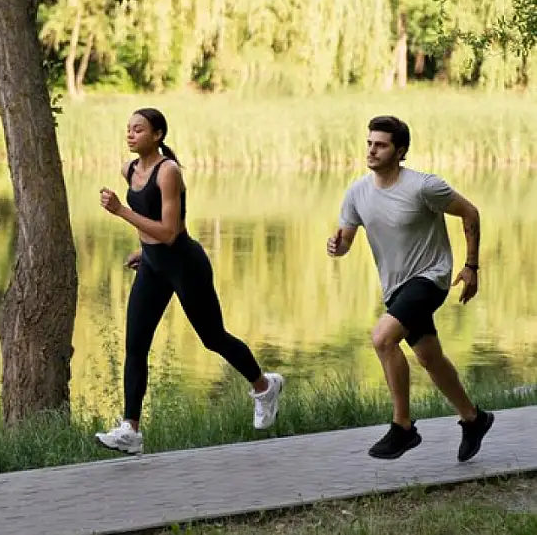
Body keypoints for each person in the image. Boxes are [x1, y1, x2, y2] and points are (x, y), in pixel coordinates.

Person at [95, 108, 284, 456]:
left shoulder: (169, 172)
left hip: (184, 263)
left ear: (158, 135)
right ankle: (130, 430)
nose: (131, 134)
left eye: (139, 129)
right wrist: (142, 248)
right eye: (128, 129)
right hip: (153, 265)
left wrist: (122, 212)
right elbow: (150, 221)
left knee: (213, 338)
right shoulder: (130, 169)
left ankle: (264, 387)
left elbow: (169, 232)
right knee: (135, 344)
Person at [327, 115, 494, 461]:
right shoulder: (357, 192)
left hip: (431, 277)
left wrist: (471, 266)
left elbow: (470, 212)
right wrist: (337, 247)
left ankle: (402, 427)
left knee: (383, 338)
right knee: (429, 357)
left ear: (399, 151)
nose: (372, 150)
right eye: (370, 143)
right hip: (396, 287)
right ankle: (473, 419)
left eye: (381, 145)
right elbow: (345, 243)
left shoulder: (424, 187)